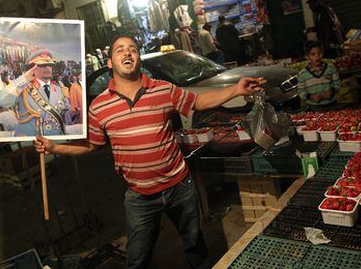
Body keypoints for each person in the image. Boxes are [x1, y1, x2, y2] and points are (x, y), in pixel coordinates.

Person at [34, 35, 265, 269]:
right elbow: (91, 145)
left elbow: (198, 101)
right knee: (137, 259)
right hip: (140, 196)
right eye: (120, 50)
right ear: (110, 63)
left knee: (195, 246)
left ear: (139, 58)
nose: (127, 53)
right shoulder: (99, 106)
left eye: (132, 49)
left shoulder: (162, 90)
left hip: (179, 187)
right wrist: (54, 148)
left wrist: (235, 89)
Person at [0, 50, 70, 136]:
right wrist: (24, 79)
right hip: (30, 140)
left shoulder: (59, 88)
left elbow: (65, 111)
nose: (47, 68)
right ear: (32, 68)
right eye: (42, 65)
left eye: (50, 65)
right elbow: (2, 101)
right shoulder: (22, 88)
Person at [297, 40, 341, 107]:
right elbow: (300, 91)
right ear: (307, 57)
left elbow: (338, 84)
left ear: (323, 53)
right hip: (313, 107)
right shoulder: (303, 74)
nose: (317, 56)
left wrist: (331, 91)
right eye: (313, 54)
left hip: (332, 105)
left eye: (319, 53)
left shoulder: (330, 68)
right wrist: (310, 96)